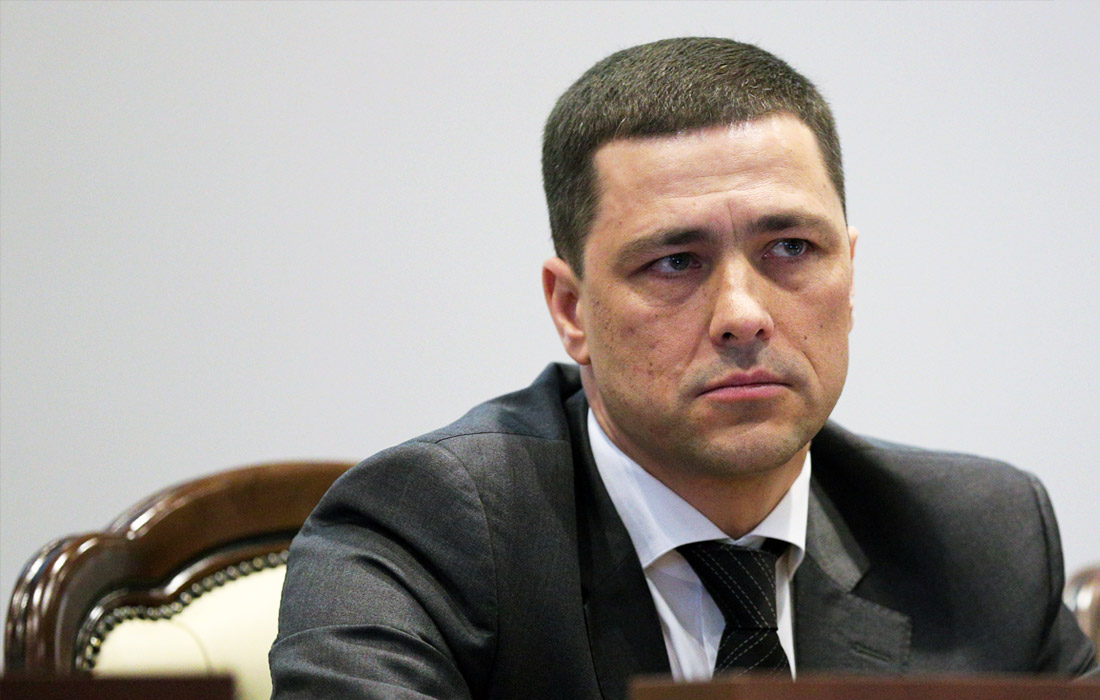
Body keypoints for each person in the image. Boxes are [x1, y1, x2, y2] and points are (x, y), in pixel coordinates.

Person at [269, 37, 1097, 699]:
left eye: (790, 248)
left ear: (851, 275)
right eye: (674, 262)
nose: (743, 313)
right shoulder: (428, 530)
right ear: (571, 309)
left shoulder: (978, 538)